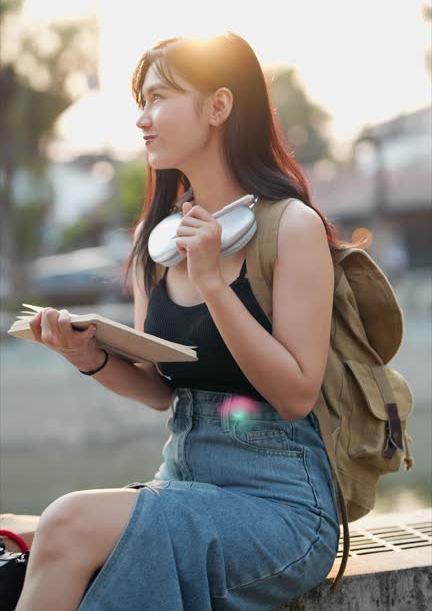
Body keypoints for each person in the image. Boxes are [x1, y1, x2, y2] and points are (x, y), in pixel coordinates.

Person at [17, 32, 344, 611]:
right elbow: (159, 391)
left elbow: (296, 395)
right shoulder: (157, 241)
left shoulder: (290, 226)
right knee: (51, 541)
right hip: (187, 482)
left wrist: (216, 284)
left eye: (160, 97)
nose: (143, 119)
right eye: (140, 102)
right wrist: (87, 355)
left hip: (283, 506)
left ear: (218, 107)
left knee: (67, 521)